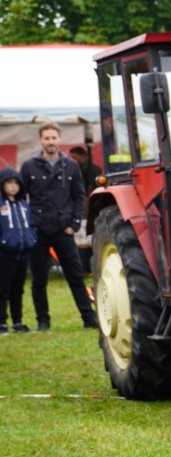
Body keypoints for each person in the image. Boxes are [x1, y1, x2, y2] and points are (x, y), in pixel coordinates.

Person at [20, 123, 97, 330]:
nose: (50, 142)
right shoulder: (29, 166)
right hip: (38, 229)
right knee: (39, 279)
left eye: (54, 138)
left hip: (64, 229)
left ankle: (88, 319)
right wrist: (28, 224)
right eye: (47, 138)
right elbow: (20, 197)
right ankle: (42, 321)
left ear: (60, 140)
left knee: (75, 276)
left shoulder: (70, 165)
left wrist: (74, 224)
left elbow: (79, 196)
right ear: (41, 141)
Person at [0, 167, 35, 334]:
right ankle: (1, 323)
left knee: (18, 289)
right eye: (9, 183)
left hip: (23, 254)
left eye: (16, 183)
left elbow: (31, 224)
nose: (13, 186)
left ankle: (18, 321)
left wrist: (31, 239)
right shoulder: (1, 206)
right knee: (3, 289)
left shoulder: (24, 205)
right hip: (4, 255)